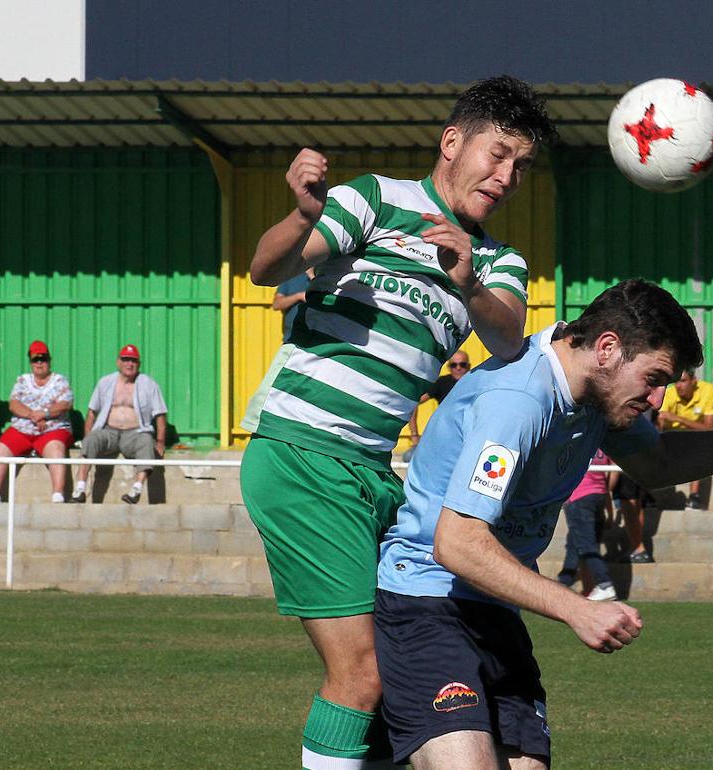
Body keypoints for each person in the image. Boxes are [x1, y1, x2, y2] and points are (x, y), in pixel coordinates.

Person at [372, 279, 713, 769]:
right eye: (654, 378)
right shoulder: (518, 401)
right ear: (607, 348)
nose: (657, 400)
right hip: (429, 603)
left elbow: (659, 462)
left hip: (497, 609)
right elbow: (456, 543)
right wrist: (577, 608)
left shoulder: (593, 396)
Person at [238, 76, 556, 770]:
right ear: (452, 142)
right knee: (362, 675)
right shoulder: (377, 200)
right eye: (497, 155)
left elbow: (507, 339)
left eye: (521, 167)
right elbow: (269, 268)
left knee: (398, 674)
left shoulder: (498, 260)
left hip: (378, 476)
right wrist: (302, 214)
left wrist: (465, 279)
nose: (506, 177)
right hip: (303, 451)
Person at [70, 344, 167, 505]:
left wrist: (161, 442)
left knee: (146, 441)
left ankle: (136, 490)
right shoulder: (105, 382)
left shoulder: (149, 384)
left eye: (133, 360)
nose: (129, 364)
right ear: (118, 362)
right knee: (91, 440)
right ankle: (80, 489)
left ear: (139, 364)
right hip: (109, 432)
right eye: (126, 359)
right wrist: (88, 437)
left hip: (136, 433)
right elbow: (92, 412)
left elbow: (160, 415)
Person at [0, 341, 74, 503]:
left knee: (56, 449)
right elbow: (14, 404)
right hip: (22, 429)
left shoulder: (60, 380)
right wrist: (34, 415)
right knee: (0, 450)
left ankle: (58, 496)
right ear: (31, 362)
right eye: (36, 359)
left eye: (43, 359)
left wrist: (45, 414)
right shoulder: (22, 380)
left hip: (52, 429)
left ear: (49, 360)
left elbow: (65, 404)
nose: (40, 363)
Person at [556, 447, 616, 601]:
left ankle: (604, 584)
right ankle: (564, 582)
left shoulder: (581, 440)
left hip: (579, 497)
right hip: (598, 495)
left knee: (586, 545)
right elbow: (613, 472)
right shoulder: (601, 441)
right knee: (574, 544)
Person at [657, 368, 713, 509]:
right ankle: (656, 494)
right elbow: (661, 425)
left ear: (693, 381)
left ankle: (694, 496)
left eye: (683, 381)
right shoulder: (669, 392)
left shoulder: (708, 390)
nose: (678, 385)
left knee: (698, 446)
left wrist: (678, 419)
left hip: (696, 436)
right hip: (671, 435)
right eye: (676, 381)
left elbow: (709, 428)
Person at [403, 351, 472, 460]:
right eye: (454, 365)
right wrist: (414, 435)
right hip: (446, 437)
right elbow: (414, 402)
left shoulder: (476, 382)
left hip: (470, 436)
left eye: (462, 365)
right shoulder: (442, 382)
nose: (458, 368)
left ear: (468, 366)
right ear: (449, 367)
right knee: (410, 457)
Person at [273, 267, 315, 342]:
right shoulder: (290, 277)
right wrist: (298, 296)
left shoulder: (326, 276)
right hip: (292, 338)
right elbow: (277, 304)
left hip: (319, 340)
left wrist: (313, 278)